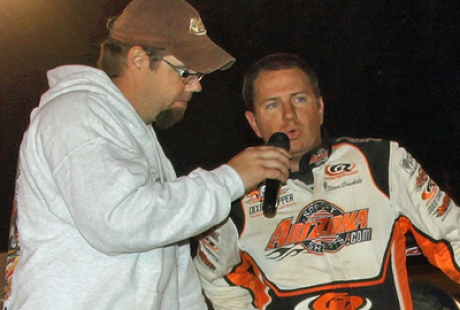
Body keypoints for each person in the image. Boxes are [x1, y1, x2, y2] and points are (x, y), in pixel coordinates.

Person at [3, 1, 291, 309]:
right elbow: (119, 221)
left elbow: (172, 268)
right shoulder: (77, 113)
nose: (196, 87)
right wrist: (230, 179)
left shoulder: (137, 136)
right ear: (138, 59)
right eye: (186, 72)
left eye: (199, 75)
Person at [194, 53, 460, 309]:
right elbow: (216, 279)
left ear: (320, 107)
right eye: (272, 104)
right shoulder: (233, 193)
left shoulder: (382, 161)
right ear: (253, 122)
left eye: (299, 99)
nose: (289, 115)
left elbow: (453, 235)